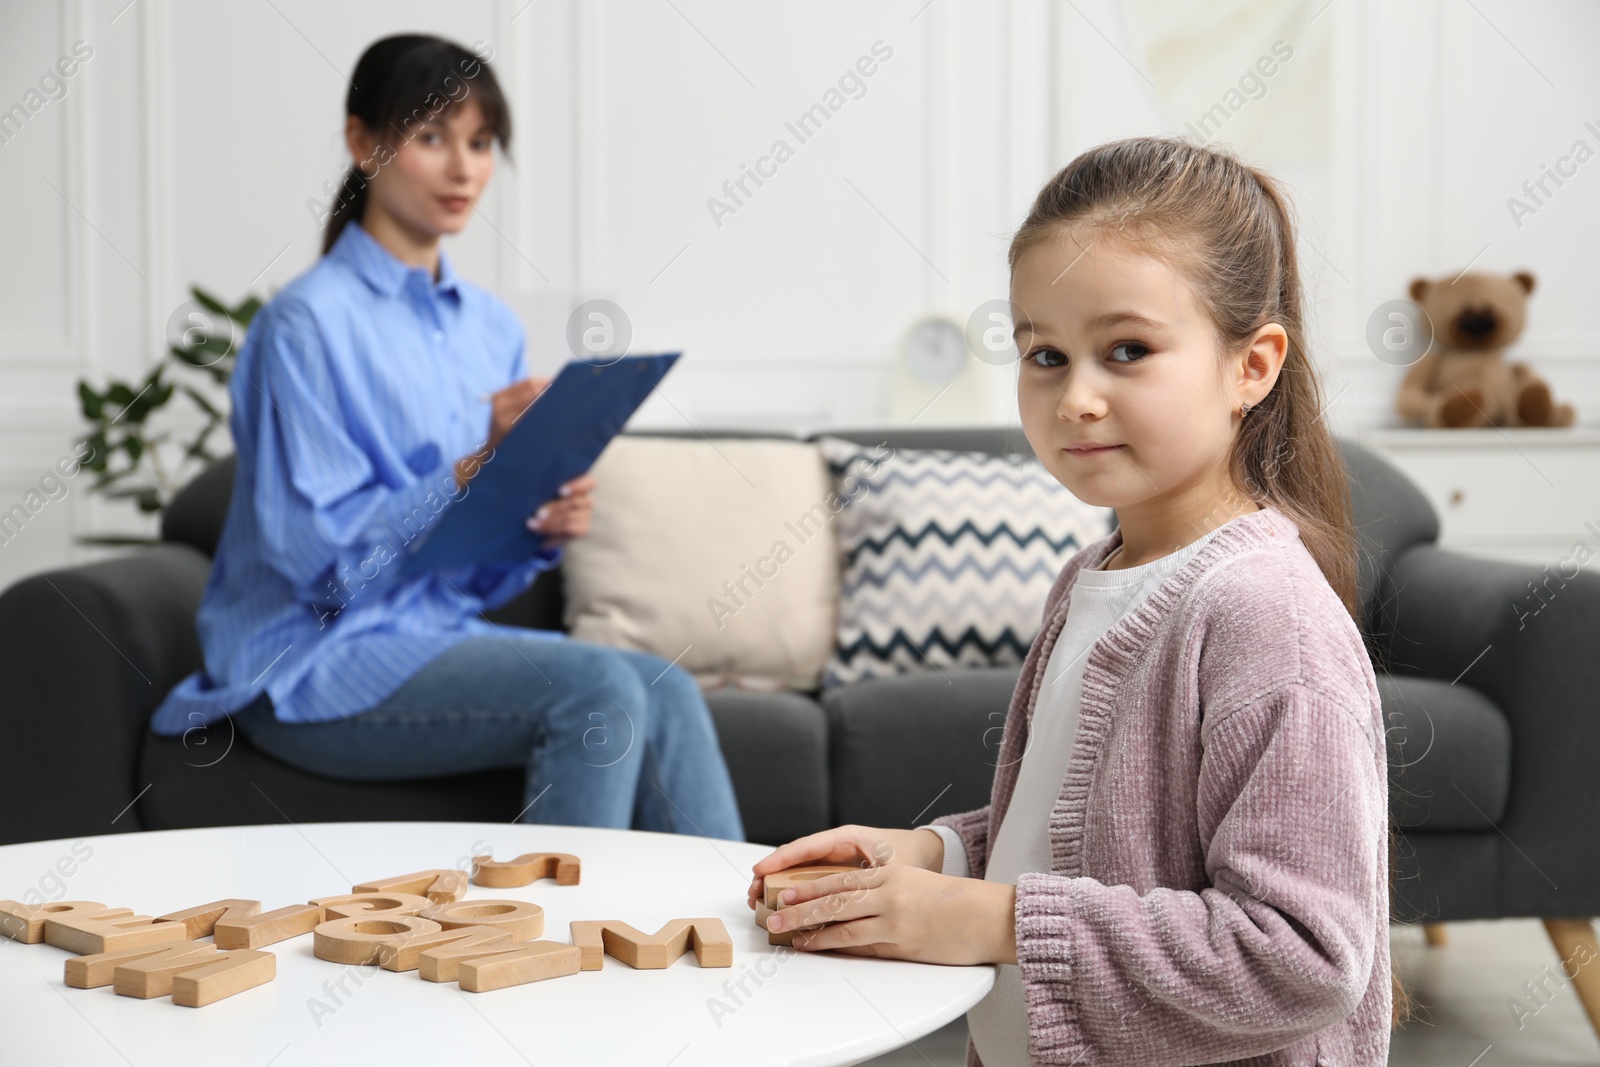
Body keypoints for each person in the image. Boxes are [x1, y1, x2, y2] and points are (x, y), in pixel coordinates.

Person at [747, 135, 1410, 1065]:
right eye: (1046, 354)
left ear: (1252, 367)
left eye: (1127, 350)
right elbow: (1093, 832)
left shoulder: (1267, 619)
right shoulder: (1096, 573)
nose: (1076, 399)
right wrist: (937, 856)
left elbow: (1302, 955)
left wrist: (990, 916)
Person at [148, 33, 744, 843]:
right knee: (598, 687)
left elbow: (466, 573)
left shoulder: (490, 328)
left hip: (432, 637)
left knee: (666, 688)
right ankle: (551, 958)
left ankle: (730, 948)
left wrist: (535, 522)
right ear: (364, 143)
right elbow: (318, 569)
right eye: (432, 138)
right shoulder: (305, 326)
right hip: (307, 662)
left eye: (481, 142)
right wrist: (472, 468)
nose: (464, 169)